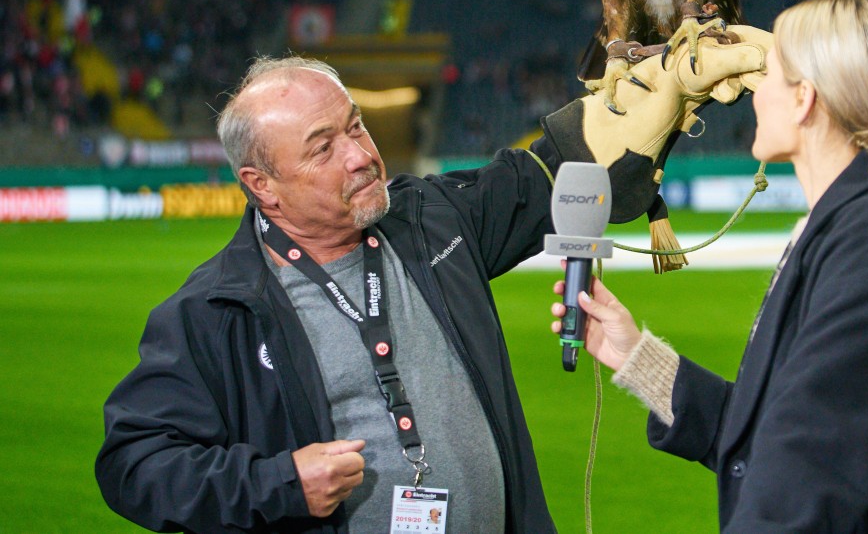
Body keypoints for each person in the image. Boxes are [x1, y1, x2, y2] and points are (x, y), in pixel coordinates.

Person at [97, 28, 769, 534]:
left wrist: (651, 92)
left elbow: (550, 175)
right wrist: (277, 482)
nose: (362, 155)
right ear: (260, 186)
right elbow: (133, 465)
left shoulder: (433, 219)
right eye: (323, 147)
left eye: (356, 125)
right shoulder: (215, 310)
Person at [552, 0, 868, 532]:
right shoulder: (853, 223)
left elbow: (806, 478)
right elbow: (775, 436)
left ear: (805, 100)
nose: (749, 90)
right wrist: (637, 358)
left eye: (768, 73)